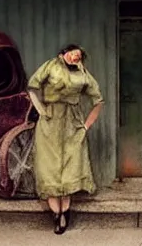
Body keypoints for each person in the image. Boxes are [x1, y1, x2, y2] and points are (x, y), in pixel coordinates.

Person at [27, 43, 104, 234]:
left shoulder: (82, 72)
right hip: (50, 123)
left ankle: (65, 214)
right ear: (64, 53)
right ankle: (56, 215)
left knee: (70, 167)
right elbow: (32, 86)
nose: (75, 58)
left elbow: (98, 100)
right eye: (72, 54)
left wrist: (86, 125)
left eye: (78, 56)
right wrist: (41, 111)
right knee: (49, 168)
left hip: (72, 124)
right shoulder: (50, 66)